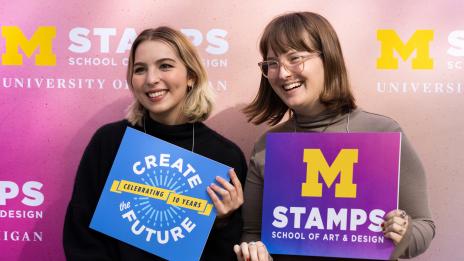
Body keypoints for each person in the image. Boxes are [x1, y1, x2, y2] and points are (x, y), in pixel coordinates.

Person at [234, 12, 435, 261]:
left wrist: (404, 232)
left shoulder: (383, 134)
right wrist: (253, 252)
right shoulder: (268, 146)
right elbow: (252, 233)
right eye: (272, 63)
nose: (283, 74)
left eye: (295, 58)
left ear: (328, 59)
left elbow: (424, 226)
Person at [63, 26, 247, 261]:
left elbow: (228, 253)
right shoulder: (109, 142)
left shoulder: (224, 156)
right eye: (140, 69)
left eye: (165, 66)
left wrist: (223, 222)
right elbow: (82, 236)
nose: (151, 79)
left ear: (191, 76)